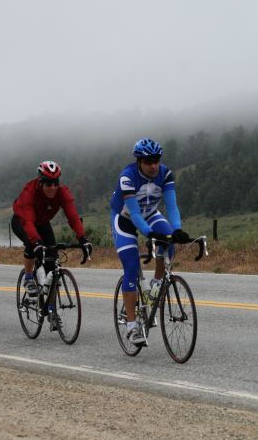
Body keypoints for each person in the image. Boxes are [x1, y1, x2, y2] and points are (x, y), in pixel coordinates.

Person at [110, 138, 189, 345]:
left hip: (151, 213)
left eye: (156, 160)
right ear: (139, 162)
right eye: (148, 161)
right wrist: (149, 233)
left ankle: (155, 286)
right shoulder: (127, 177)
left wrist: (177, 229)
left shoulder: (166, 173)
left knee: (169, 242)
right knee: (131, 266)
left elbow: (171, 206)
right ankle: (131, 325)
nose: (153, 165)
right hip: (125, 218)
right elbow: (134, 213)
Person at [12, 160, 91, 304]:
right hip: (22, 220)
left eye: (56, 183)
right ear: (40, 182)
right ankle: (29, 278)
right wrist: (36, 242)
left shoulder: (62, 192)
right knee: (32, 244)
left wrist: (83, 239)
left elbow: (73, 217)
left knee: (52, 263)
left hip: (42, 223)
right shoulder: (29, 192)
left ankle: (50, 308)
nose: (52, 187)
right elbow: (28, 222)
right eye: (48, 183)